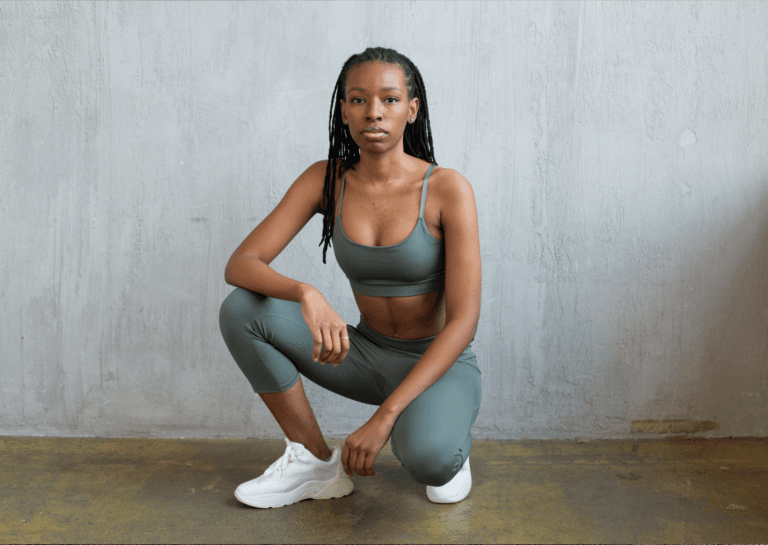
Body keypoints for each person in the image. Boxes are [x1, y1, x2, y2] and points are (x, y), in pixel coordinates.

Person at [219, 47, 482, 509]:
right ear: (343, 110)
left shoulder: (446, 189)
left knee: (430, 461)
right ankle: (314, 463)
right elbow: (242, 264)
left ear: (412, 110)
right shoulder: (327, 180)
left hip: (436, 364)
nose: (374, 112)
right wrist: (307, 292)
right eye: (358, 100)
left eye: (390, 99)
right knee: (242, 309)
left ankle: (445, 438)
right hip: (363, 354)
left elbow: (464, 320)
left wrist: (385, 418)